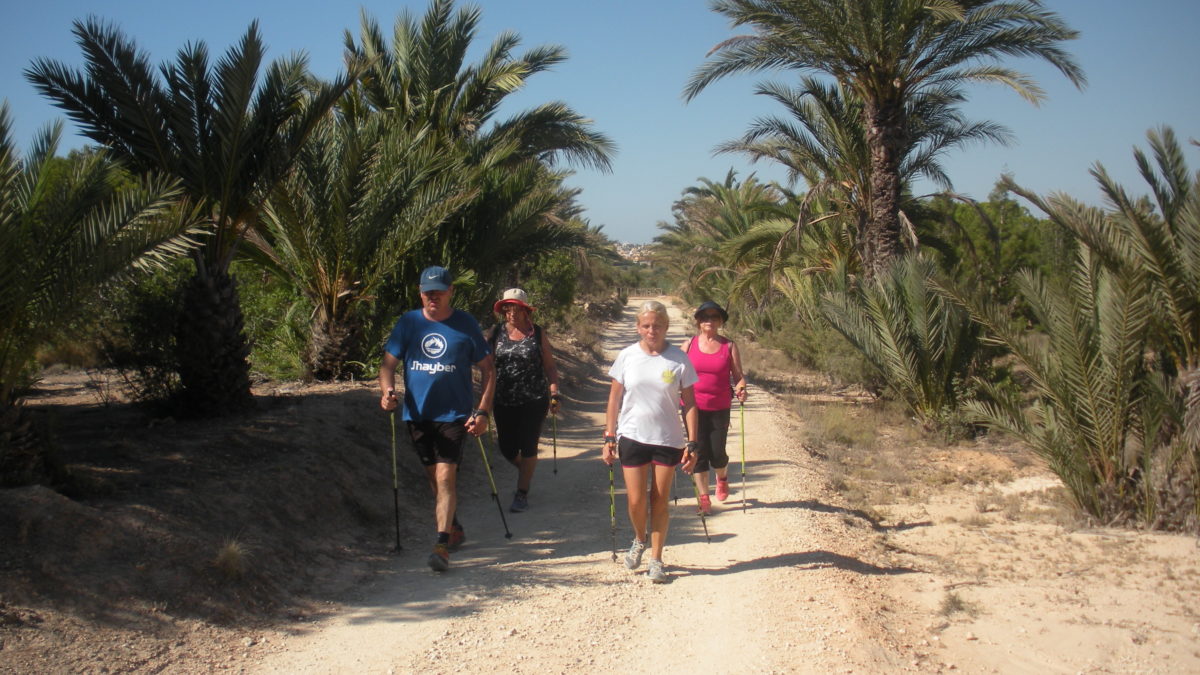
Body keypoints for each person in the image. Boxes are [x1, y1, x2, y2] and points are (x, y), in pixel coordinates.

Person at [379, 266, 495, 573]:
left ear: (450, 292)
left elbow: (488, 368)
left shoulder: (465, 324)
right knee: (434, 479)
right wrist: (387, 392)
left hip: (454, 414)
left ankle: (441, 546)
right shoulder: (408, 323)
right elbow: (387, 366)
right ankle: (453, 527)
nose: (434, 297)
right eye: (428, 292)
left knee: (445, 478)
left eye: (439, 292)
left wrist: (483, 411)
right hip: (417, 414)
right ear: (420, 293)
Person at [602, 300, 699, 583]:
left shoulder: (679, 360)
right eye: (646, 325)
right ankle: (639, 538)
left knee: (659, 500)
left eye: (657, 325)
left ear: (666, 326)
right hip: (632, 436)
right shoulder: (627, 356)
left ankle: (657, 559)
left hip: (668, 439)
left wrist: (693, 442)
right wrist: (609, 435)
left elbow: (690, 403)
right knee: (635, 500)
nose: (651, 330)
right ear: (638, 327)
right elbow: (614, 399)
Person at [488, 288, 561, 513]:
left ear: (525, 310)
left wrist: (554, 392)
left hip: (534, 399)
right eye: (507, 309)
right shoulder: (496, 333)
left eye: (516, 309)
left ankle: (522, 492)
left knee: (529, 444)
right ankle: (526, 470)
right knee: (507, 448)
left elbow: (550, 366)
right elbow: (487, 366)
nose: (511, 313)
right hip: (503, 400)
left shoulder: (537, 333)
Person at [682, 301, 747, 515]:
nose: (709, 320)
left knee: (718, 452)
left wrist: (741, 388)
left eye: (714, 317)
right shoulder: (688, 345)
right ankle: (704, 498)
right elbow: (676, 374)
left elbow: (738, 377)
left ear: (720, 321)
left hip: (720, 407)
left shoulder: (729, 346)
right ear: (698, 321)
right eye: (704, 317)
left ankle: (722, 477)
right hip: (692, 408)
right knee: (698, 452)